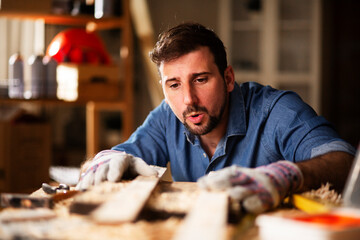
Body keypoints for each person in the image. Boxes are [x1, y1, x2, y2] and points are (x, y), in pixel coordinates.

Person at [76, 22, 356, 213]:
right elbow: (121, 157)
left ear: (228, 78)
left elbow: (343, 161)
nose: (188, 99)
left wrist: (288, 176)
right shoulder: (166, 117)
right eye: (174, 85)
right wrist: (103, 160)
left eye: (200, 79)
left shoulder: (277, 110)